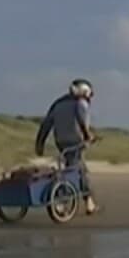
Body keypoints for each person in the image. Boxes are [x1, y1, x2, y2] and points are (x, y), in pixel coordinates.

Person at [35, 78, 100, 215]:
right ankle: (75, 202)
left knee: (72, 168)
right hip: (76, 142)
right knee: (79, 170)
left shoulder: (58, 104)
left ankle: (85, 201)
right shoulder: (80, 103)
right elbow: (81, 120)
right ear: (85, 91)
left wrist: (39, 143)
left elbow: (46, 124)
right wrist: (88, 136)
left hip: (61, 141)